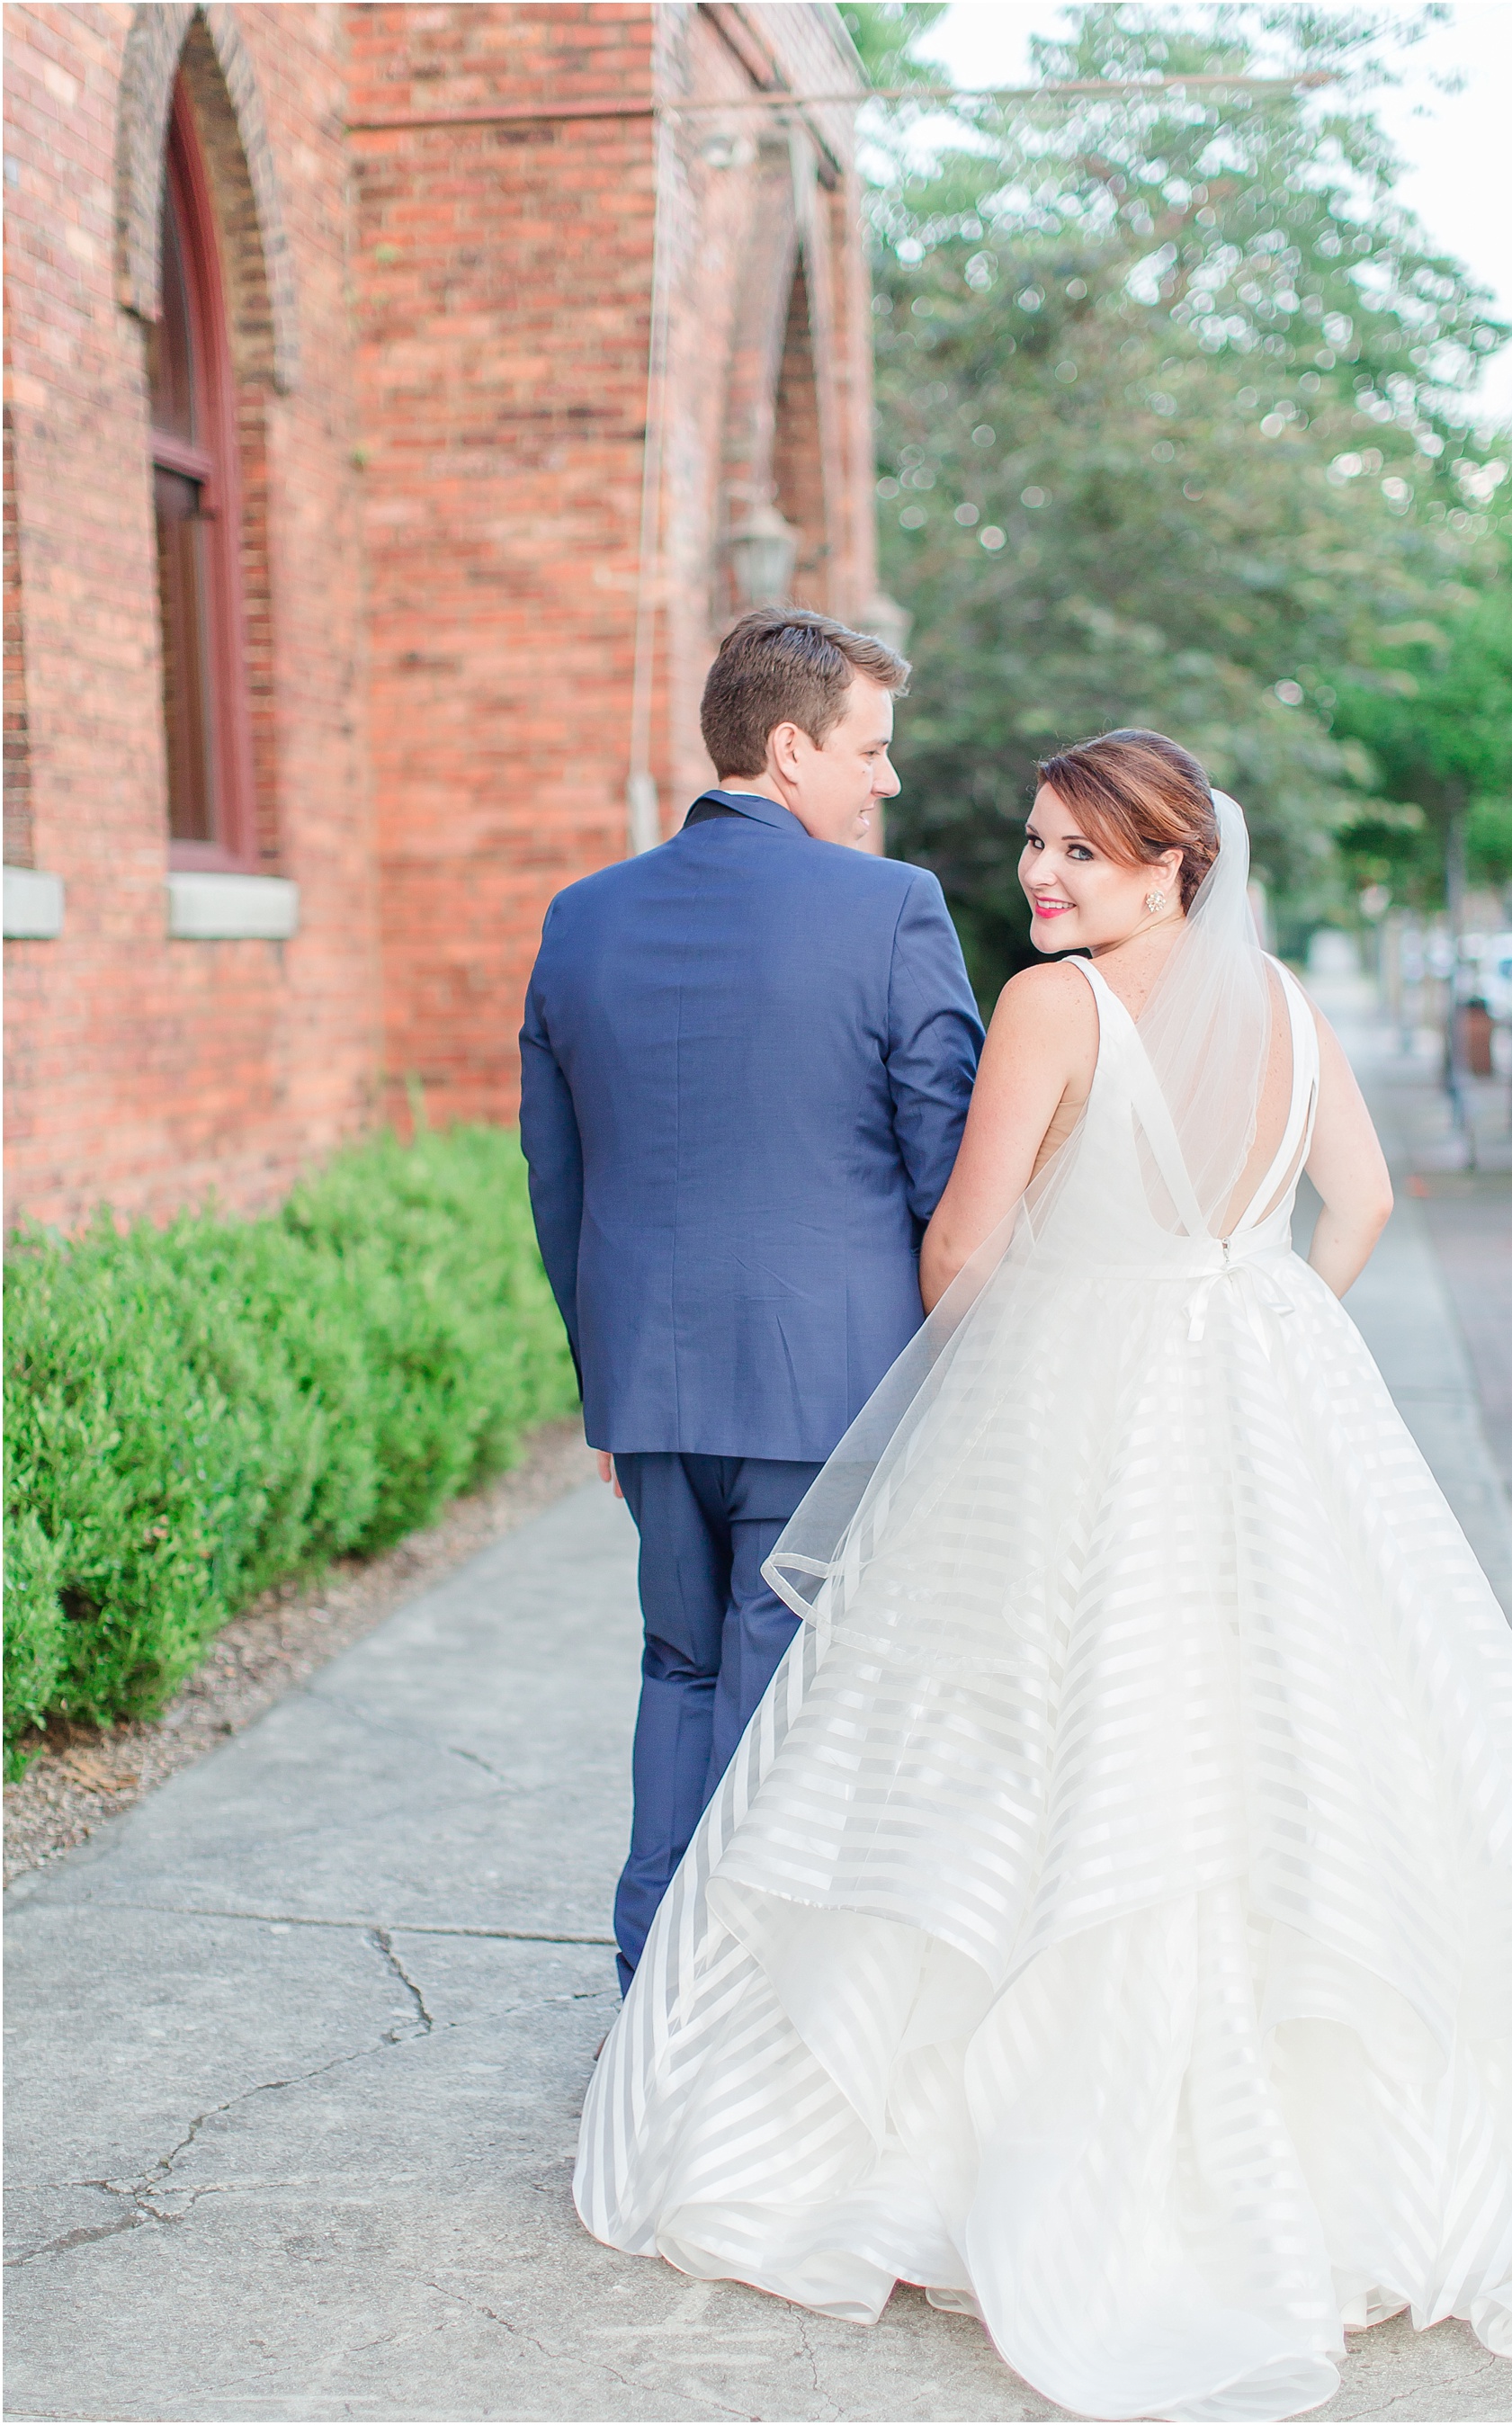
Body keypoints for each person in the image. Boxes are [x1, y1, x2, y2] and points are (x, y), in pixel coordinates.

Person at [574, 731, 1512, 2421]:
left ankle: (1016, 2146)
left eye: (1080, 852)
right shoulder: (1278, 1000)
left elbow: (967, 1249)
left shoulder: (1055, 1007)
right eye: (1041, 847)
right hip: (1266, 1393)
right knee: (1284, 1736)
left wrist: (1015, 1355)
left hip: (1084, 1399)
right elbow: (1358, 1202)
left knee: (1035, 1743)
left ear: (1169, 866)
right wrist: (1251, 1316)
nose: (1042, 877)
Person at [519, 608, 983, 1998]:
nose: (885, 782)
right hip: (833, 1393)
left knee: (678, 1668)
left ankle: (648, 1977)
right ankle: (721, 2024)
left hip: (652, 1391)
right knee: (793, 1702)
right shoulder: (892, 911)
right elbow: (947, 1174)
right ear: (790, 749)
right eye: (869, 749)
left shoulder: (582, 916)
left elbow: (558, 1180)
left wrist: (608, 1390)